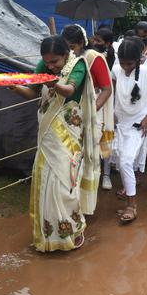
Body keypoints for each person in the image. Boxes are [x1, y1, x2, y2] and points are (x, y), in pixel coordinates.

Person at [9, 36, 98, 250]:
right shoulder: (44, 65)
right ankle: (49, 237)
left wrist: (52, 81)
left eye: (54, 62)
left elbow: (68, 90)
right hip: (48, 135)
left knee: (64, 184)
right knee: (46, 182)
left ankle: (72, 230)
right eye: (46, 62)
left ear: (66, 54)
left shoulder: (77, 66)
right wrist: (13, 87)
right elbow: (32, 92)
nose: (50, 66)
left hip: (68, 133)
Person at [61, 25, 114, 211]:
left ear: (82, 43)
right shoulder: (64, 59)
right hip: (68, 115)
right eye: (66, 47)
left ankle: (84, 205)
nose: (69, 51)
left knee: (86, 158)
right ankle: (69, 202)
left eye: (72, 47)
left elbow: (107, 89)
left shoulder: (93, 59)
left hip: (91, 114)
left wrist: (91, 111)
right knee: (69, 159)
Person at [111, 38, 147, 223]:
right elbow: (110, 93)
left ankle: (132, 205)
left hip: (138, 125)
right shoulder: (116, 69)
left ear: (138, 60)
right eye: (122, 63)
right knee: (120, 162)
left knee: (125, 162)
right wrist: (111, 113)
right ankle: (129, 198)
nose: (125, 67)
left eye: (129, 63)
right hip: (119, 124)